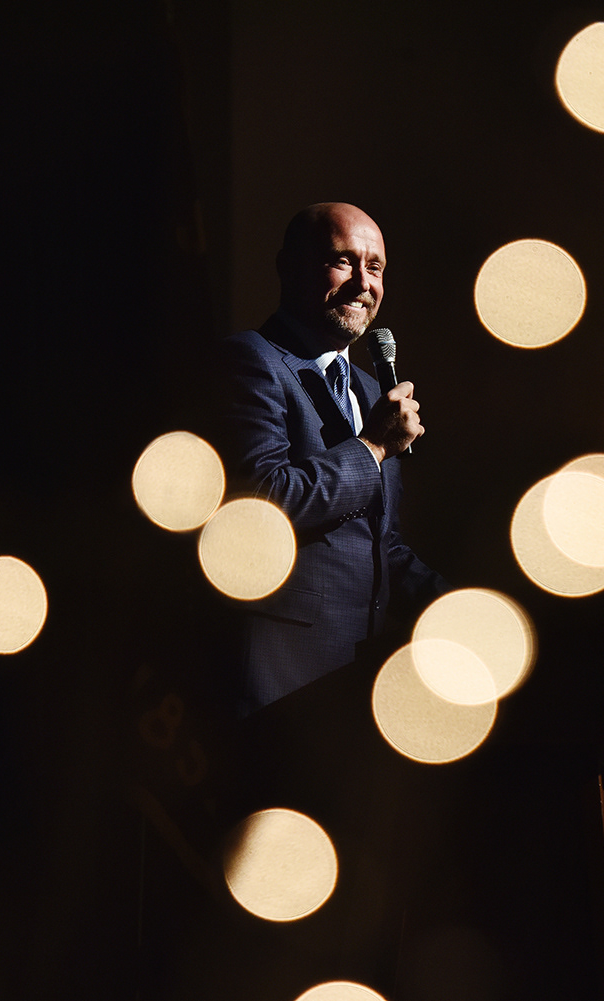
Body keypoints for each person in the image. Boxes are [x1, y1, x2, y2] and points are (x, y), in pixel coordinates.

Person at [212, 202, 447, 716]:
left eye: (376, 267)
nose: (363, 282)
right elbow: (261, 500)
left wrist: (453, 607)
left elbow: (377, 542)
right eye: (343, 261)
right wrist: (375, 448)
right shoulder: (251, 360)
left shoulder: (368, 389)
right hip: (281, 675)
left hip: (360, 679)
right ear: (289, 267)